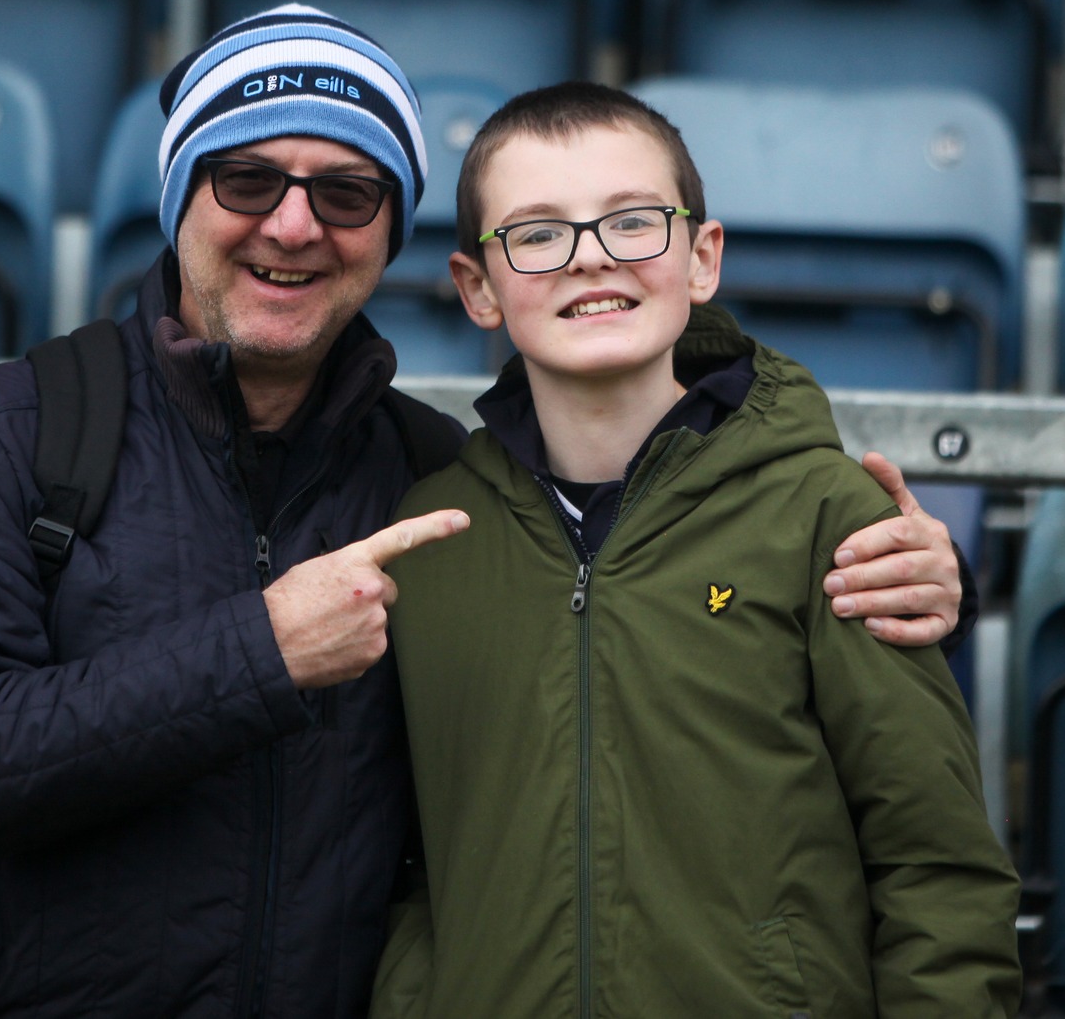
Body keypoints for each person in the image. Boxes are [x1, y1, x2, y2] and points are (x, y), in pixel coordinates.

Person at [0, 7, 975, 1019]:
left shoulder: (439, 485)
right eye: (245, 180)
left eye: (347, 193)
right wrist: (262, 648)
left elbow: (930, 864)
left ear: (389, 233)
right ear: (178, 201)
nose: (293, 224)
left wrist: (918, 570)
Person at [372, 83, 1021, 1019]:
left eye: (633, 221)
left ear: (702, 256)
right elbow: (404, 867)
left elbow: (938, 867)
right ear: (478, 286)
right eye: (538, 233)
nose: (591, 256)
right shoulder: (430, 540)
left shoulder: (827, 520)